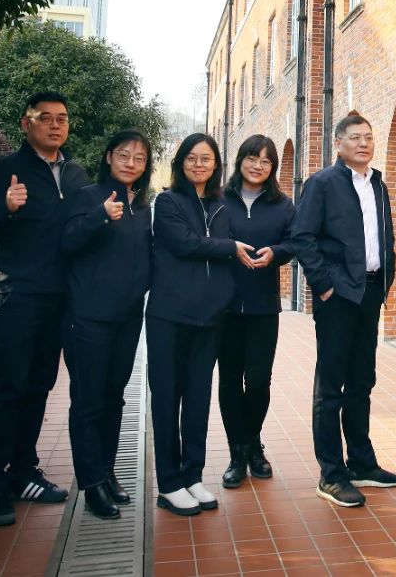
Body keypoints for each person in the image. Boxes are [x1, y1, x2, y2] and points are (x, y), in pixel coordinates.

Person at [0, 91, 90, 527]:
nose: (55, 125)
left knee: (39, 386)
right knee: (8, 388)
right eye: (46, 118)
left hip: (59, 298)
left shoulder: (76, 174)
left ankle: (23, 472)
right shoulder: (4, 169)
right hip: (15, 295)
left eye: (62, 118)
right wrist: (4, 208)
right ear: (26, 124)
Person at [289, 111, 396, 508]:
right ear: (338, 144)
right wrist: (324, 285)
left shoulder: (378, 185)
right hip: (337, 296)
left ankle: (362, 463)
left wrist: (386, 279)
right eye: (354, 137)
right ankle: (332, 474)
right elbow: (302, 238)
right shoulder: (322, 184)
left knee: (361, 381)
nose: (363, 143)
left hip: (370, 293)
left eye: (368, 137)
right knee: (331, 384)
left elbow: (383, 237)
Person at [148, 133, 254, 517]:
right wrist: (230, 248)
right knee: (167, 398)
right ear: (181, 162)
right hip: (169, 316)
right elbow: (184, 243)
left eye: (206, 159)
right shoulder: (167, 202)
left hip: (210, 319)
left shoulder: (222, 205)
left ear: (215, 165)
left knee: (197, 399)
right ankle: (169, 483)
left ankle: (192, 475)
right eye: (192, 158)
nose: (199, 164)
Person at [61, 130, 154, 519]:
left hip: (127, 317)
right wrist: (100, 216)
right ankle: (91, 484)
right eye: (124, 155)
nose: (131, 163)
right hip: (88, 317)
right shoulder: (88, 196)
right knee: (89, 400)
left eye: (139, 158)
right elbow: (66, 242)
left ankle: (106, 471)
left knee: (115, 397)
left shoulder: (142, 208)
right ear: (109, 156)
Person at [219, 135, 294, 489]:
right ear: (240, 160)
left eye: (266, 161)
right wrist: (229, 249)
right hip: (224, 306)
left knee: (259, 379)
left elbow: (295, 242)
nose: (258, 166)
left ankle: (252, 442)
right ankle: (238, 452)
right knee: (230, 379)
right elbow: (207, 239)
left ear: (273, 167)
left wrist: (276, 253)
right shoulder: (219, 199)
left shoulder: (283, 205)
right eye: (252, 158)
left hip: (264, 306)